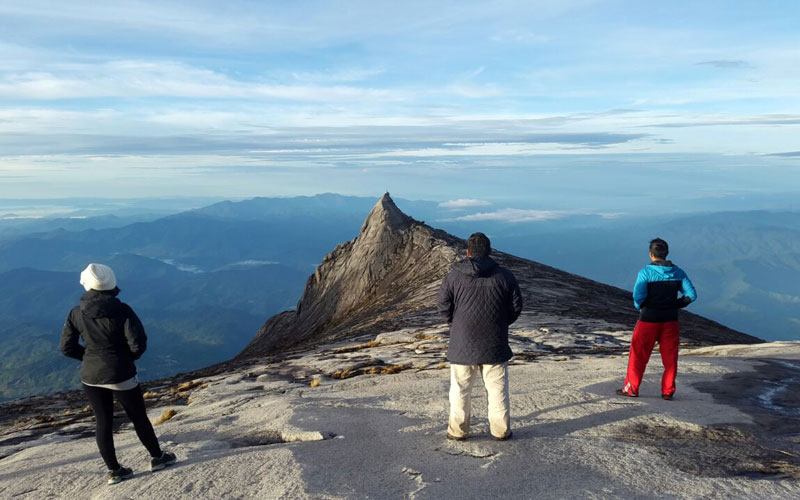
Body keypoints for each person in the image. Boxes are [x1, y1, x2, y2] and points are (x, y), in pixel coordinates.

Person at [60, 263, 176, 485]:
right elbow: (138, 343)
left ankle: (115, 471)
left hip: (91, 377)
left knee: (103, 422)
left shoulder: (75, 313)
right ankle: (158, 458)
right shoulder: (123, 310)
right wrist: (125, 359)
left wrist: (88, 357)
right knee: (138, 417)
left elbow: (66, 347)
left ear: (86, 285)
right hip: (121, 373)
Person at [437, 232, 523, 441]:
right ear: (490, 251)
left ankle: (458, 431)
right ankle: (500, 431)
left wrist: (456, 325)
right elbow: (516, 307)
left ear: (467, 252)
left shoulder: (453, 276)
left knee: (460, 390)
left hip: (462, 343)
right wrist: (501, 324)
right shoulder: (505, 275)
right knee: (497, 389)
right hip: (495, 343)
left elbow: (443, 306)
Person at [617, 238, 697, 400]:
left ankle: (631, 388)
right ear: (666, 253)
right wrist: (676, 305)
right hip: (670, 320)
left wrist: (642, 306)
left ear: (651, 254)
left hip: (648, 320)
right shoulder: (678, 272)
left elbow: (638, 296)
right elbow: (692, 295)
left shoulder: (645, 272)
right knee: (670, 358)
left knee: (639, 355)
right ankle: (668, 392)